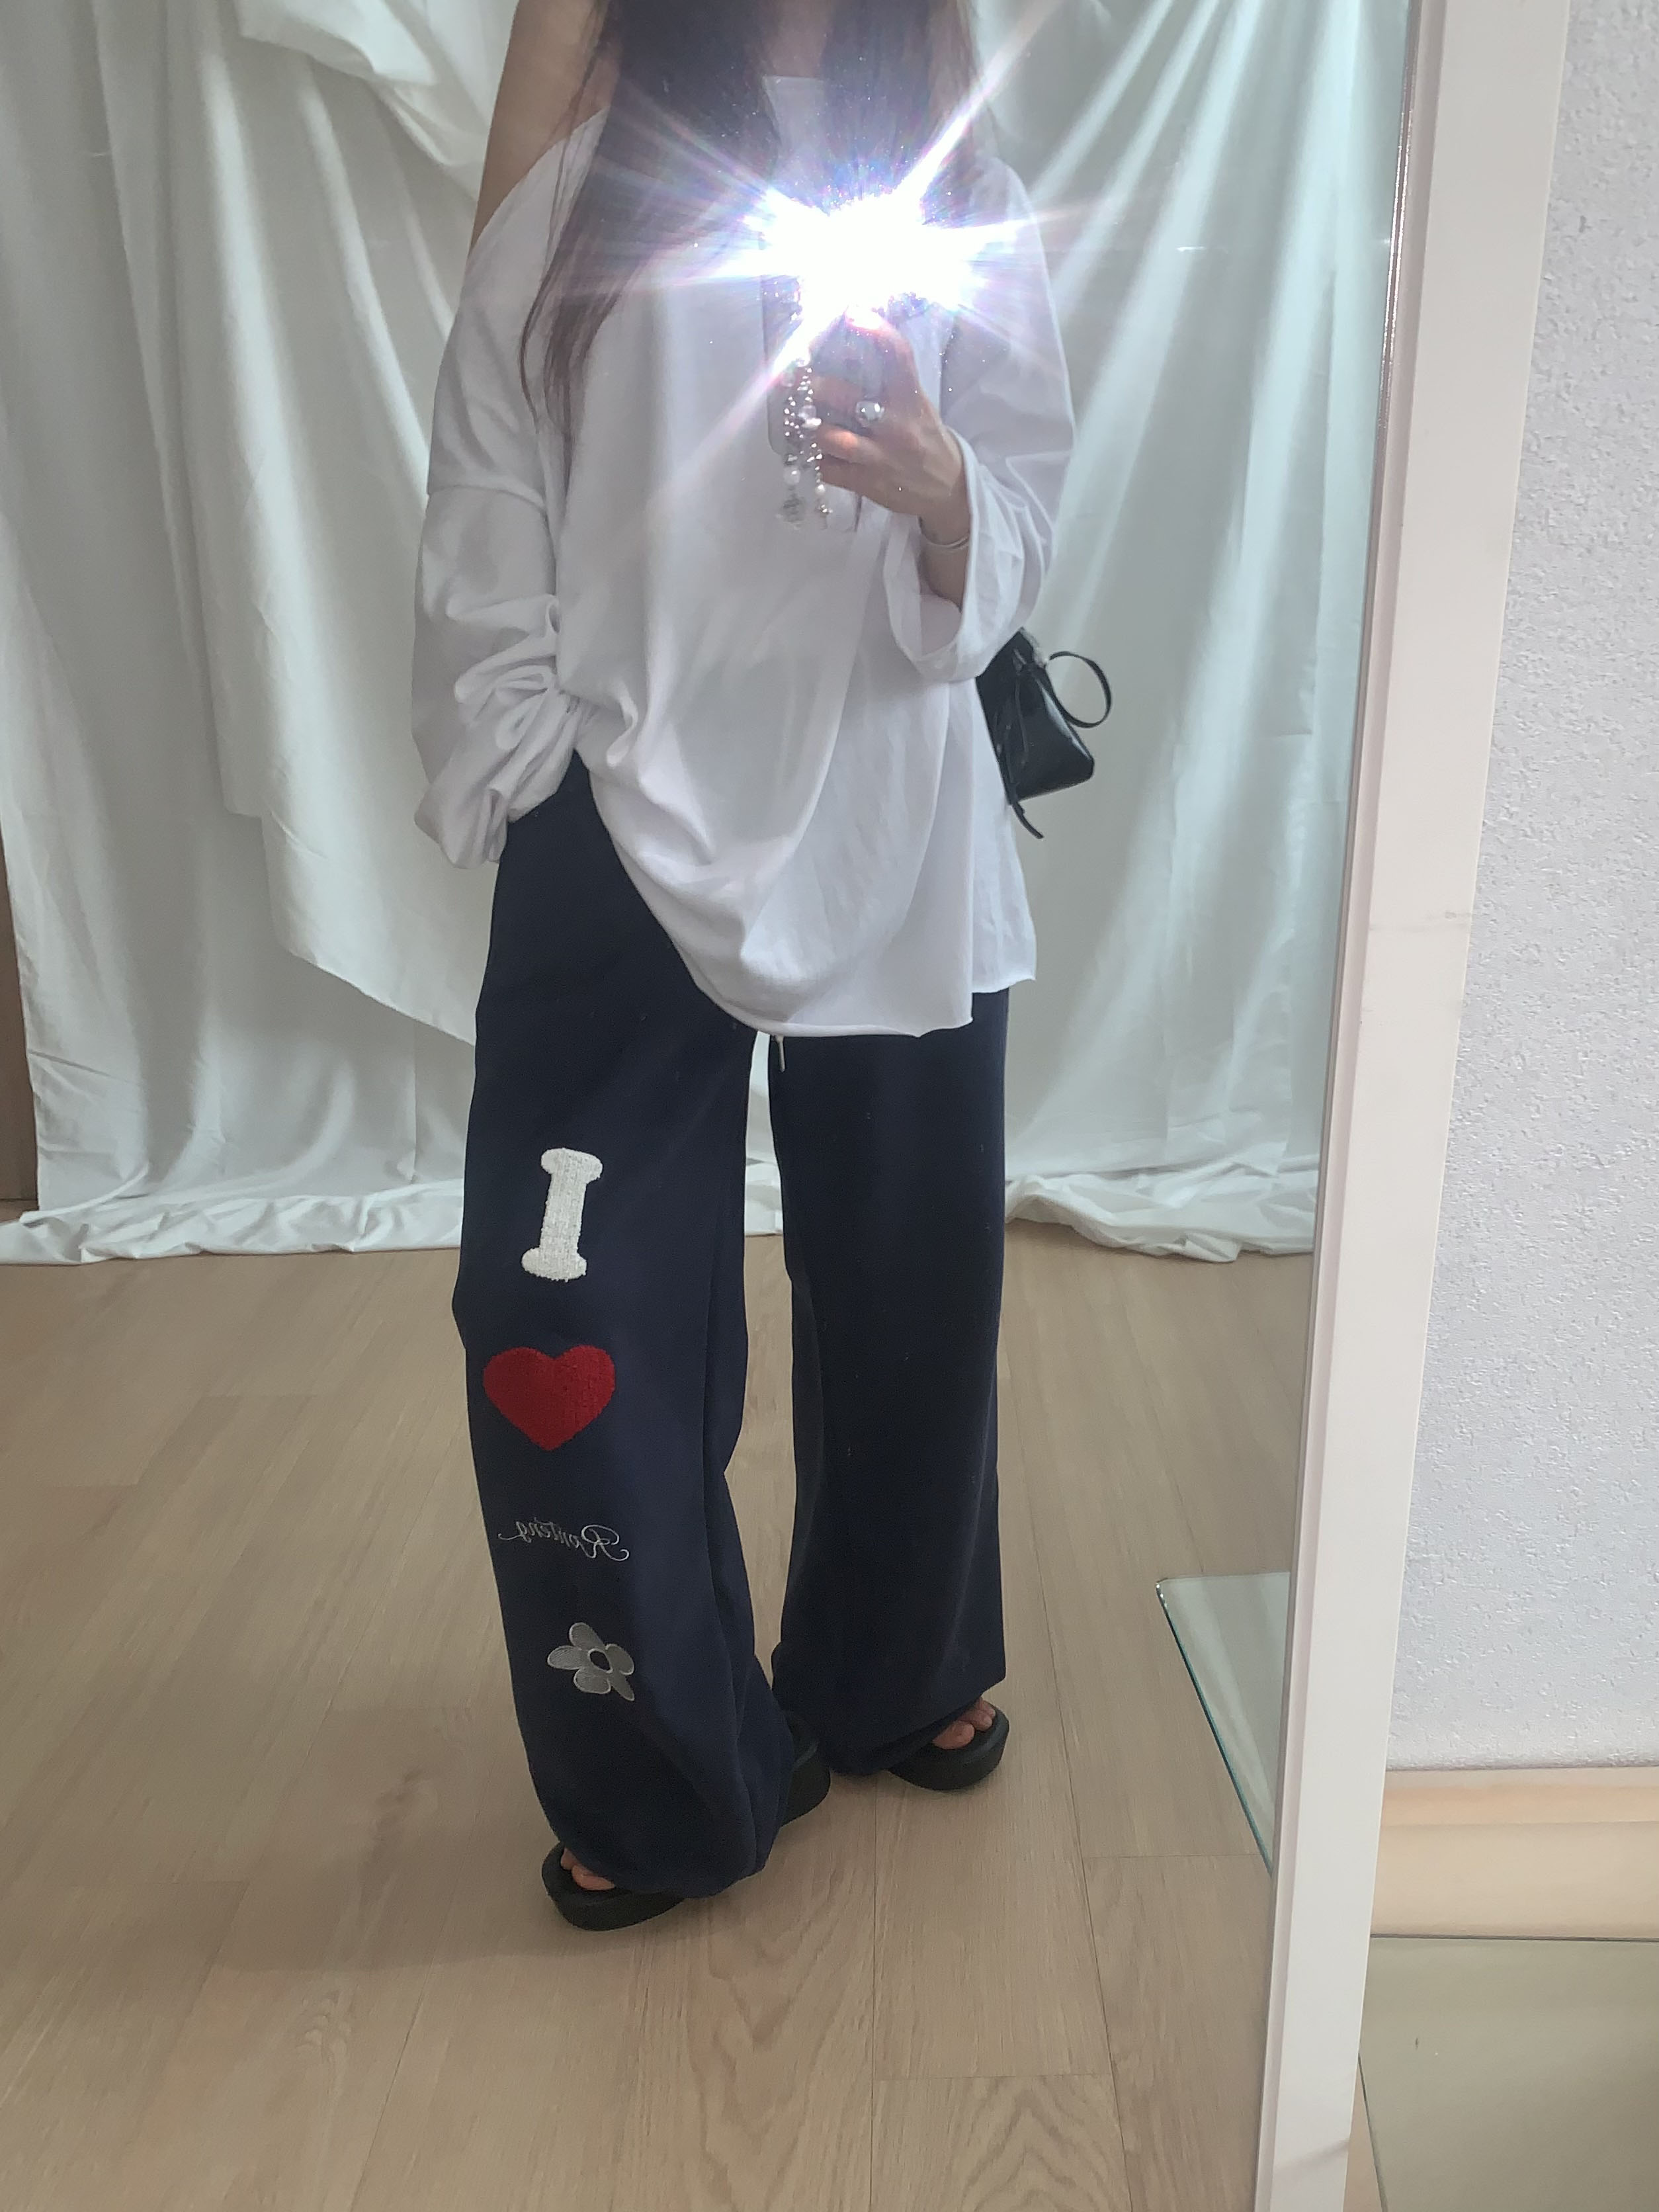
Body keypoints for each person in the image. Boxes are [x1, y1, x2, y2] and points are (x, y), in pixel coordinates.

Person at [413, 0, 1075, 1930]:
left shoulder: (959, 190)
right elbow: (486, 475)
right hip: (616, 796)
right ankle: (660, 1763)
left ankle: (895, 1663)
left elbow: (1028, 499)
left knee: (913, 1275)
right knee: (568, 1310)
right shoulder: (586, 183)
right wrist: (531, 756)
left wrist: (945, 496)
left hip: (896, 800)